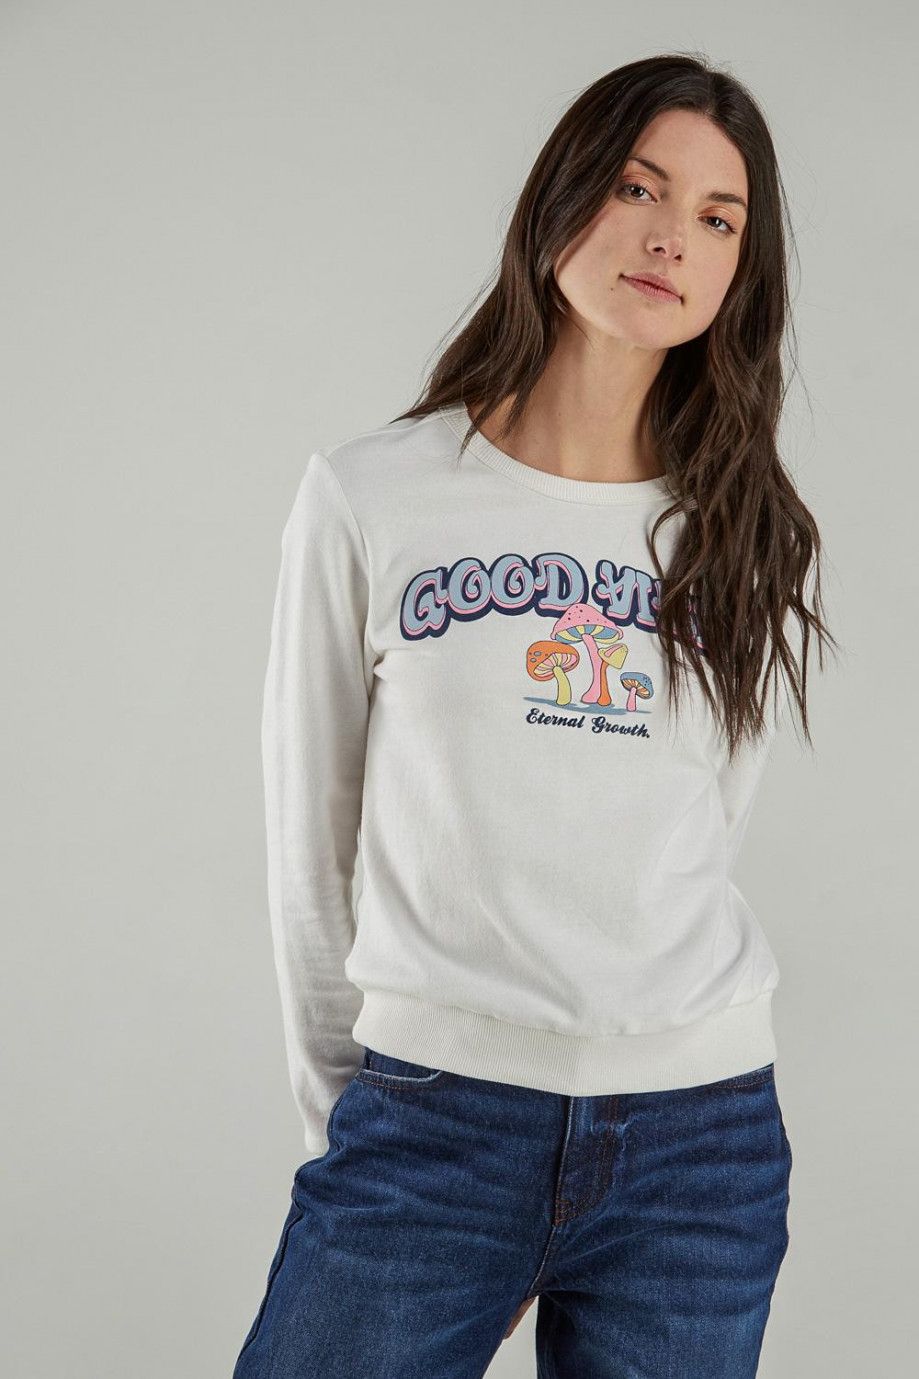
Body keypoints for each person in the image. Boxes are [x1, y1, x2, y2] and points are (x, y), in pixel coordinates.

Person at [232, 52, 837, 1379]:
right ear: (563, 197)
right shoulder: (376, 496)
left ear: (740, 271)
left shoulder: (743, 533)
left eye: (719, 218)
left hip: (702, 1149)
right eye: (638, 187)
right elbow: (311, 852)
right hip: (433, 1128)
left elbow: (699, 837)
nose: (672, 237)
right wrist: (353, 1125)